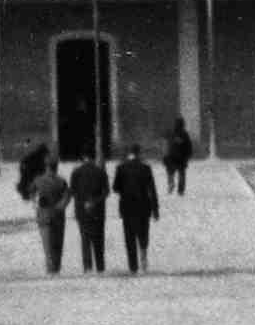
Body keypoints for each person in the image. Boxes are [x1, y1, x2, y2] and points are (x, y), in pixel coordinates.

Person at [112, 143, 160, 274]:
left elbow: (115, 188)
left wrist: (124, 188)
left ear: (129, 153)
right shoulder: (146, 168)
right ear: (139, 153)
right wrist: (155, 209)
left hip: (127, 207)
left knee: (129, 237)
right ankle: (143, 256)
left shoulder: (121, 168)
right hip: (143, 207)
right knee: (143, 234)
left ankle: (133, 266)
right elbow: (152, 189)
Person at [69, 150, 111, 273]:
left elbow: (72, 191)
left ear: (82, 158)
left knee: (85, 239)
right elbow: (106, 192)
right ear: (93, 158)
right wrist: (94, 202)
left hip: (82, 211)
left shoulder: (76, 172)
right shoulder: (101, 172)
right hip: (98, 210)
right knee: (99, 238)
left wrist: (84, 203)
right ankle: (100, 266)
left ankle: (87, 267)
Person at [32, 156, 70, 275]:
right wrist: (60, 207)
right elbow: (67, 197)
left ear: (46, 166)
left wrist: (36, 204)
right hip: (58, 216)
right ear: (56, 167)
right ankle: (57, 267)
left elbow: (32, 195)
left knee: (47, 244)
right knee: (58, 242)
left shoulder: (38, 181)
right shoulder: (61, 181)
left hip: (44, 215)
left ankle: (51, 268)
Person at [163, 117, 194, 196]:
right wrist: (188, 155)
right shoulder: (184, 134)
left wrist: (164, 156)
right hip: (181, 158)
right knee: (181, 174)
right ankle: (180, 190)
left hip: (170, 157)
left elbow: (166, 145)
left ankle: (171, 183)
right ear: (183, 124)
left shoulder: (170, 133)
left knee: (170, 173)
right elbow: (188, 146)